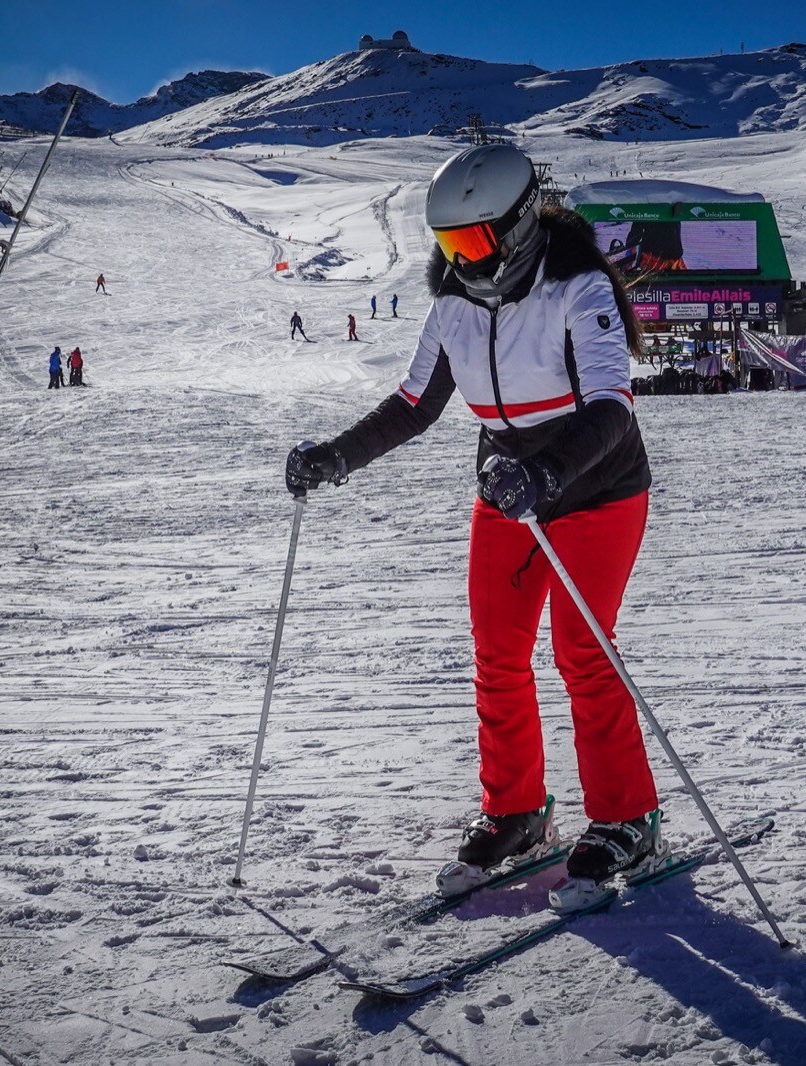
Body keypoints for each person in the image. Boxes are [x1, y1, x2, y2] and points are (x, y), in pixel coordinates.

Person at [284, 143, 663, 896]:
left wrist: (548, 473)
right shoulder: (453, 305)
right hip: (509, 494)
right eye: (449, 245)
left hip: (597, 488)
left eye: (474, 243)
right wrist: (337, 457)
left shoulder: (576, 288)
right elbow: (413, 405)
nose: (462, 259)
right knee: (497, 650)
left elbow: (612, 409)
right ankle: (517, 810)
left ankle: (628, 818)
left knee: (581, 652)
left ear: (519, 227)